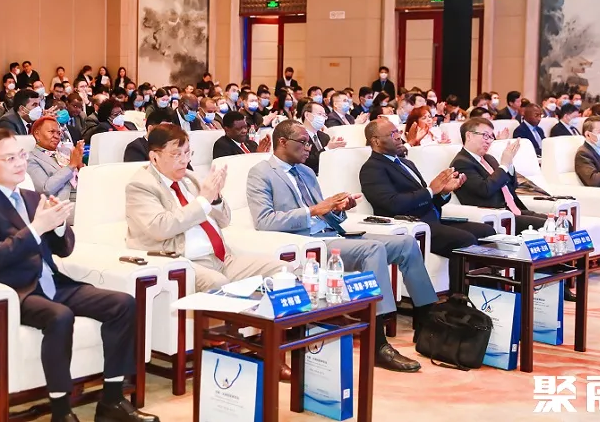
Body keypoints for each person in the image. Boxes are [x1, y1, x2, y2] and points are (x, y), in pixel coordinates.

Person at [0, 129, 157, 422]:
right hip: (14, 291)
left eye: (21, 155)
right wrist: (37, 227)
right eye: (9, 158)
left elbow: (63, 250)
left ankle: (112, 401)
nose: (19, 163)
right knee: (59, 316)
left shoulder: (31, 197)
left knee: (123, 303)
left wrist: (60, 226)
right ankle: (61, 412)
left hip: (53, 282)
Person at [246, 120, 437, 372]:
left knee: (406, 243)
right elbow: (264, 221)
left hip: (333, 234)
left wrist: (338, 209)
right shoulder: (261, 173)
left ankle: (427, 325)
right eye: (303, 143)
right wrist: (314, 210)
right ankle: (377, 343)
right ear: (282, 142)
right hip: (309, 244)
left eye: (309, 143)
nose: (308, 148)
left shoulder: (306, 172)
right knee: (373, 250)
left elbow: (326, 214)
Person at [125, 124, 286, 292]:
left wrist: (215, 198)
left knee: (284, 270)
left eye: (187, 153)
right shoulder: (140, 185)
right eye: (176, 154)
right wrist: (203, 200)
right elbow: (160, 228)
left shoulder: (190, 178)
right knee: (217, 282)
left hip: (222, 259)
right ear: (154, 157)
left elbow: (224, 221)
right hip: (184, 262)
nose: (184, 160)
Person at [360, 119, 496, 292]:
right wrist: (431, 190)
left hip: (433, 221)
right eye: (393, 134)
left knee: (486, 232)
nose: (399, 137)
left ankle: (489, 292)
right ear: (376, 141)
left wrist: (444, 192)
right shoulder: (372, 168)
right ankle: (460, 298)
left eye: (399, 132)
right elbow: (392, 204)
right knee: (464, 240)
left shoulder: (407, 163)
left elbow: (429, 199)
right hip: (412, 226)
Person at [451, 118, 549, 232]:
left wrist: (509, 164)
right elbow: (485, 190)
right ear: (469, 136)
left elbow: (511, 187)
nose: (489, 141)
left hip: (514, 210)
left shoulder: (489, 158)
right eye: (485, 136)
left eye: (491, 137)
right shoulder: (461, 163)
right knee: (551, 226)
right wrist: (504, 165)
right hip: (496, 216)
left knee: (559, 221)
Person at [27, 116, 84, 224]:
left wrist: (80, 166)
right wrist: (71, 165)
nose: (57, 136)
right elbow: (46, 189)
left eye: (58, 133)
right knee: (97, 211)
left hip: (83, 195)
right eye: (51, 132)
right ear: (37, 134)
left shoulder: (64, 152)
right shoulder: (31, 159)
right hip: (61, 205)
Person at [300, 102, 345, 175]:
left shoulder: (324, 136)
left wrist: (336, 149)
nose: (322, 118)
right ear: (307, 115)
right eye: (319, 114)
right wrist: (327, 149)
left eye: (324, 115)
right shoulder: (299, 136)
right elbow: (305, 161)